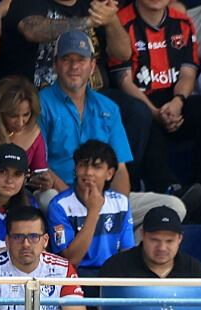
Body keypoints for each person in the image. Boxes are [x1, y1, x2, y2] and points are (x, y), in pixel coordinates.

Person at [37, 31, 187, 223]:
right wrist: (73, 200)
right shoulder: (40, 104)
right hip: (60, 193)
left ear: (92, 66)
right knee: (47, 199)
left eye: (81, 60)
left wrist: (117, 212)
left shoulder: (108, 107)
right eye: (67, 59)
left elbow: (120, 169)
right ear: (56, 64)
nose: (74, 66)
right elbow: (40, 165)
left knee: (174, 206)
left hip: (101, 197)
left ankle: (117, 240)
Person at [111, 0, 201, 204]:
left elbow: (188, 73)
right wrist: (155, 112)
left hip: (175, 99)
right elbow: (123, 80)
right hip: (140, 98)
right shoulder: (121, 22)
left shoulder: (182, 22)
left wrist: (178, 102)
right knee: (143, 116)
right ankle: (168, 188)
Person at [0, 0, 132, 93]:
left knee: (135, 111)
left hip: (93, 98)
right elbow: (32, 30)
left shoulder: (92, 4)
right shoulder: (28, 2)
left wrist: (111, 20)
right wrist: (89, 21)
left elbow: (123, 54)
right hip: (36, 101)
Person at [46, 139, 135, 270]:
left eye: (97, 167)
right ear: (76, 169)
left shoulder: (121, 203)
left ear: (109, 173)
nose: (88, 172)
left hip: (112, 273)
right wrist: (93, 212)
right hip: (76, 275)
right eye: (83, 165)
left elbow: (127, 252)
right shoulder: (59, 206)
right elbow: (70, 261)